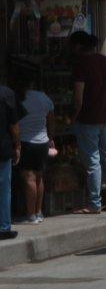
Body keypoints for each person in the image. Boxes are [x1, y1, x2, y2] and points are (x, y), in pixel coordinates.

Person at [70, 31, 106, 214]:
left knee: (92, 161)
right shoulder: (105, 61)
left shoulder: (81, 65)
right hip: (104, 118)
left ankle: (94, 203)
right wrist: (103, 104)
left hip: (87, 119)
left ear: (77, 46)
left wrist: (74, 116)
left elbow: (78, 98)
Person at [14, 72, 54, 224]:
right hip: (42, 142)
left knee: (29, 178)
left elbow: (14, 123)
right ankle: (38, 212)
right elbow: (51, 118)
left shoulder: (18, 99)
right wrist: (50, 138)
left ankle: (31, 215)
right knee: (39, 177)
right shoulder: (43, 97)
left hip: (26, 142)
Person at [0, 78, 22, 240]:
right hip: (3, 148)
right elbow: (14, 126)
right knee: (4, 190)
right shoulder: (6, 94)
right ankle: (4, 227)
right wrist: (18, 146)